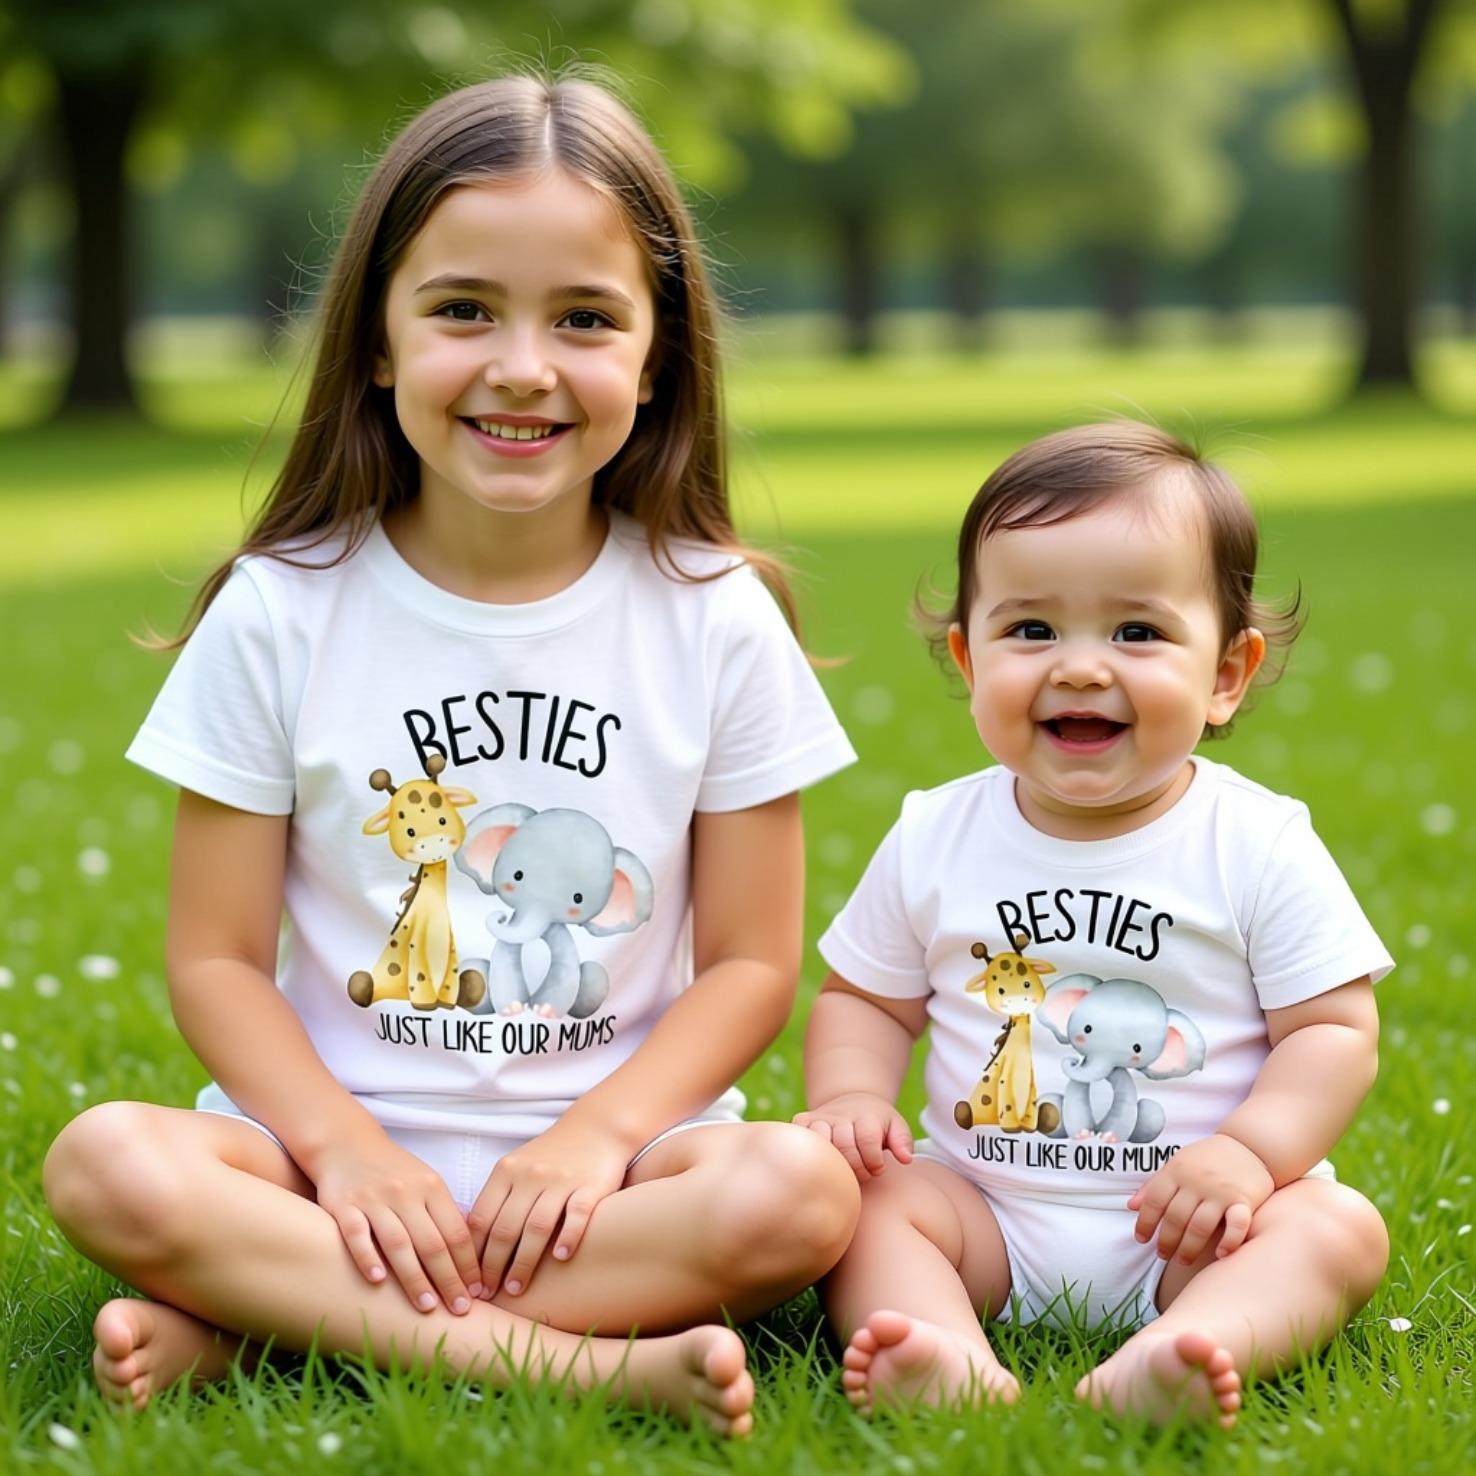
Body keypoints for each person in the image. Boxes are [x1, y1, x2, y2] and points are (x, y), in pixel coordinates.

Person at [43, 72, 863, 1438]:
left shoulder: (715, 616)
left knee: (801, 1195)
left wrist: (595, 1139)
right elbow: (216, 960)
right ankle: (572, 1360)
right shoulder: (284, 607)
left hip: (622, 1166)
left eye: (586, 319)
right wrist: (350, 1155)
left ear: (656, 360)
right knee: (109, 1163)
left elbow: (750, 965)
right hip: (321, 1152)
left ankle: (273, 1325)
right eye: (464, 309)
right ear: (376, 340)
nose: (523, 366)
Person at [795, 422, 1392, 1427]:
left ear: (1227, 674)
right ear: (967, 657)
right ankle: (939, 1347)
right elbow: (865, 996)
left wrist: (1250, 1154)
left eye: (1136, 632)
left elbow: (1334, 1032)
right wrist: (853, 1098)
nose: (1078, 668)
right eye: (1030, 631)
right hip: (981, 1209)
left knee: (1337, 1228)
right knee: (855, 1210)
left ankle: (1184, 1348)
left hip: (1197, 1231)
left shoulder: (1255, 841)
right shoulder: (936, 832)